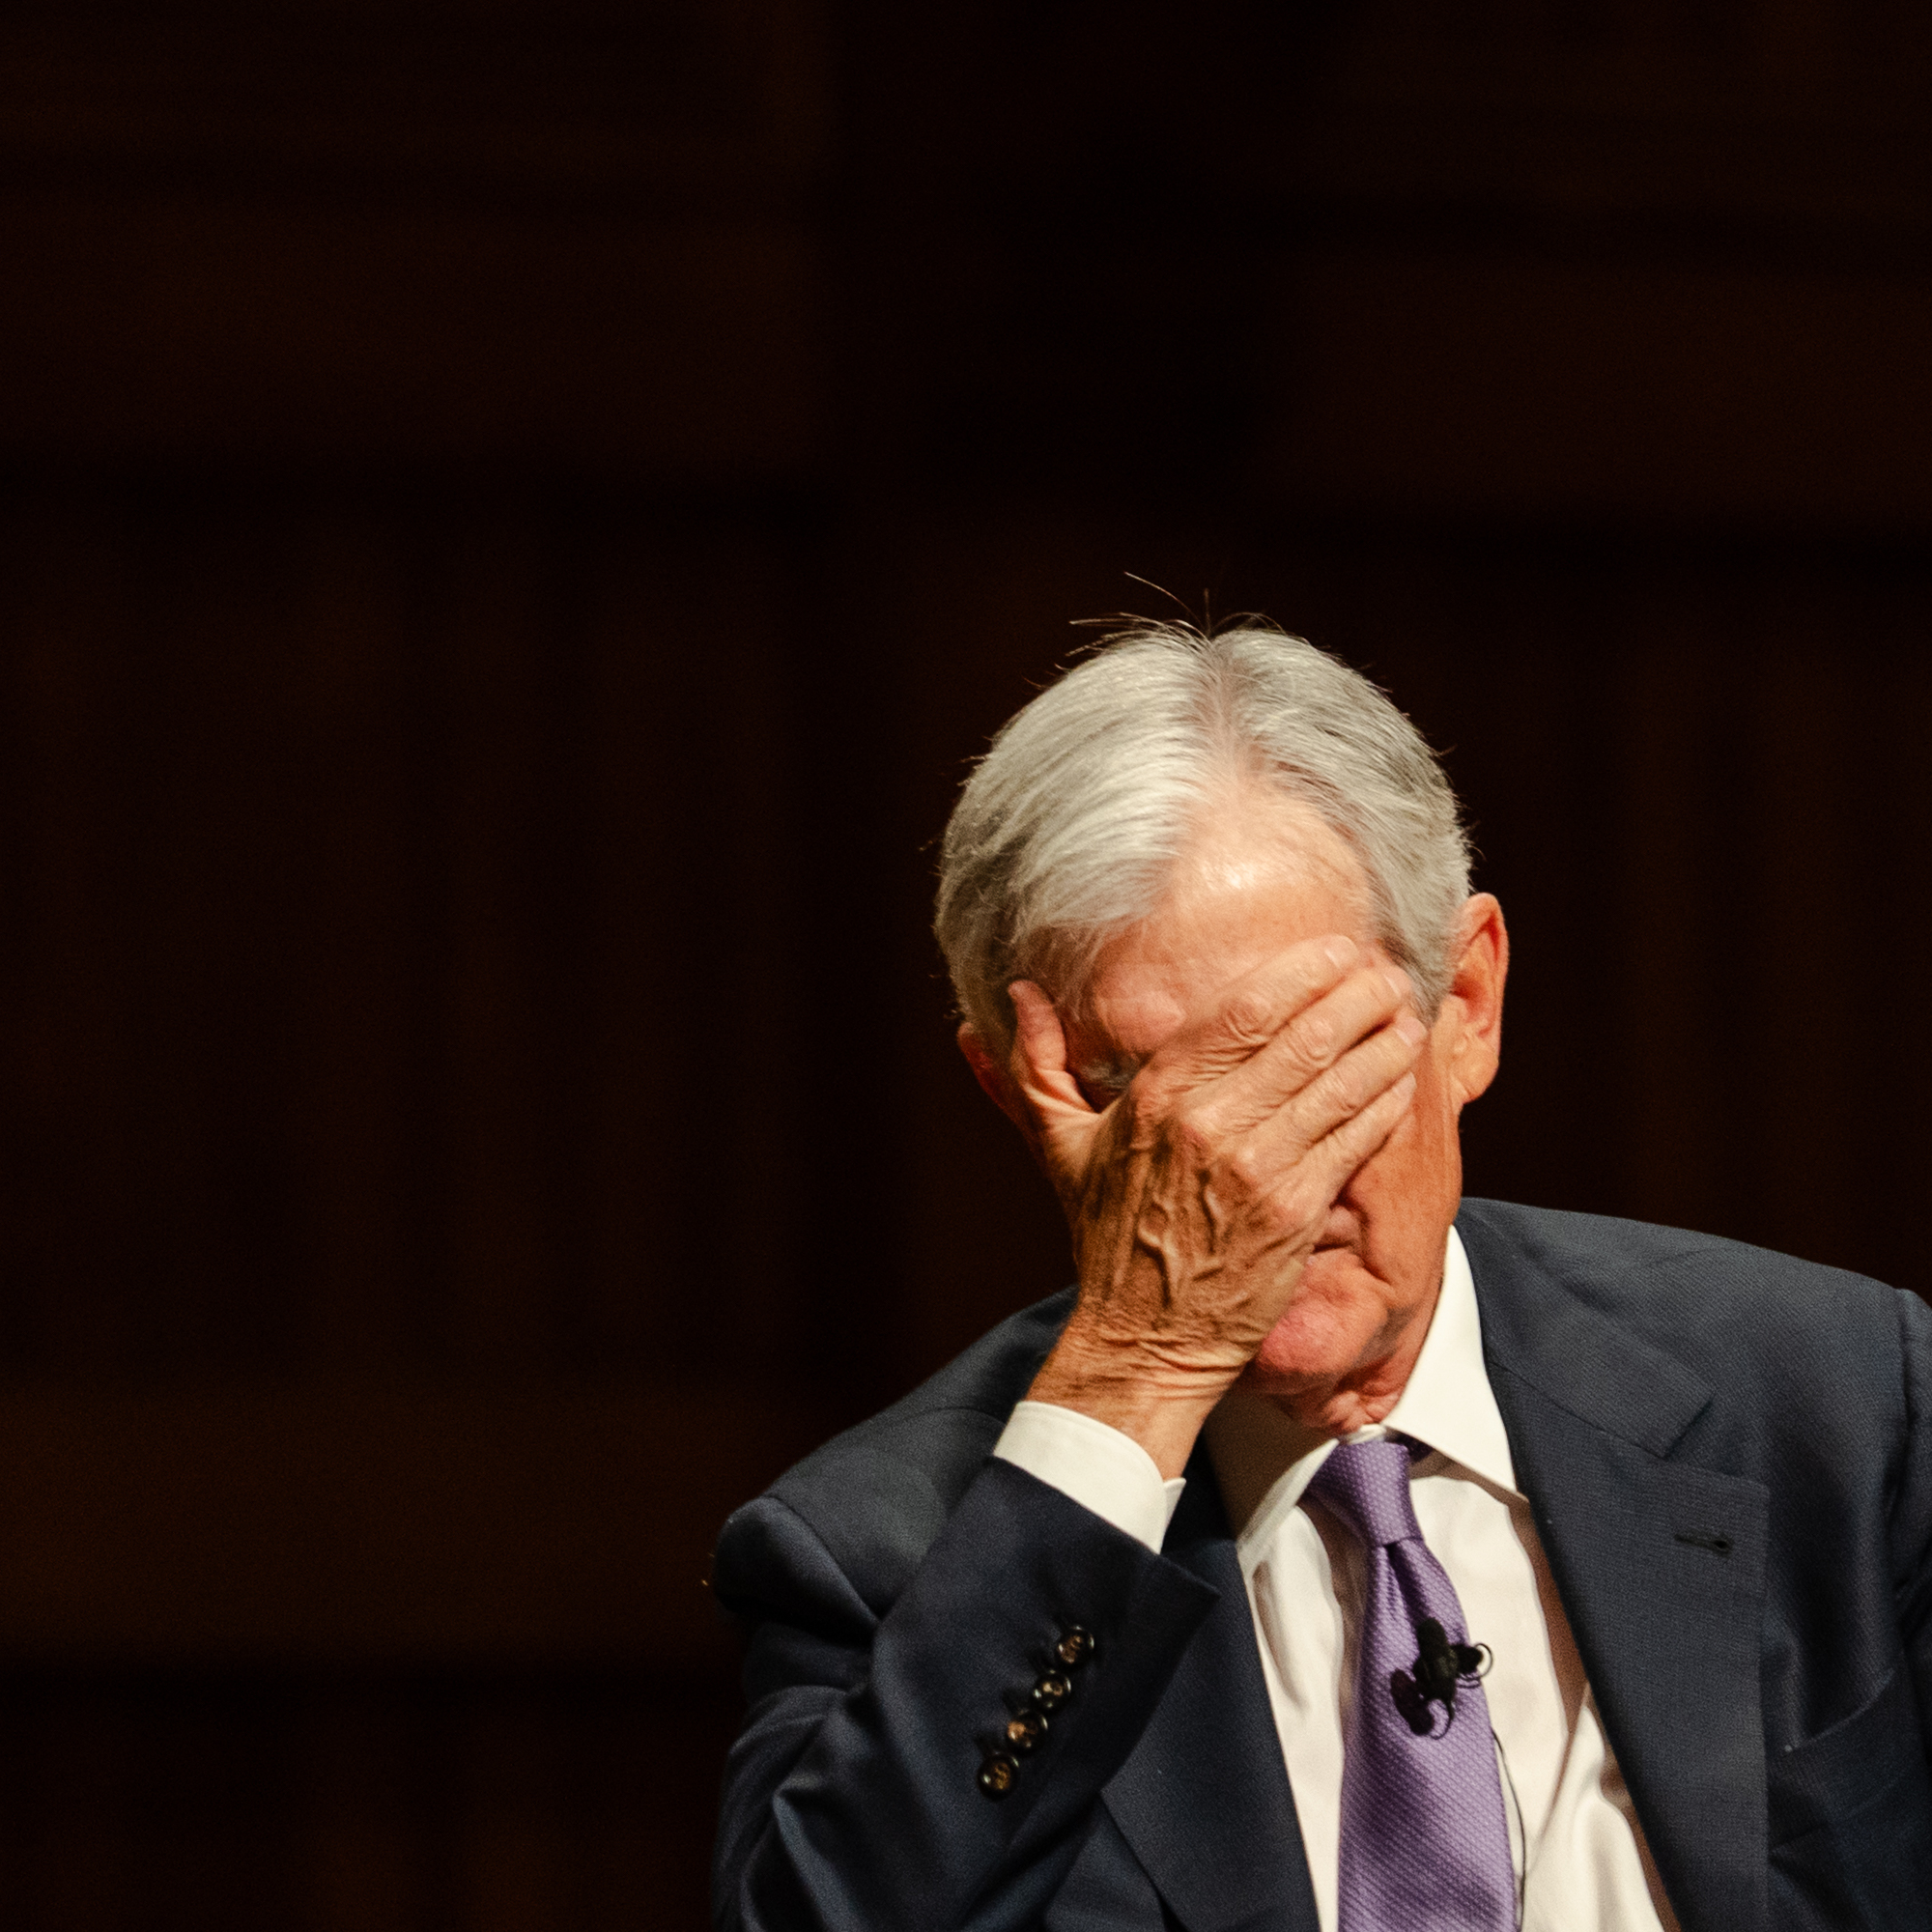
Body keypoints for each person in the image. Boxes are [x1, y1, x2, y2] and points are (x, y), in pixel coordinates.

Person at [710, 621, 1932, 1932]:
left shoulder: (1847, 1404)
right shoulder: (873, 1555)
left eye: (1302, 1075)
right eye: (1158, 1113)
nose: (1255, 1184)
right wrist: (1142, 1364)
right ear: (1020, 1101)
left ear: (1466, 1002)